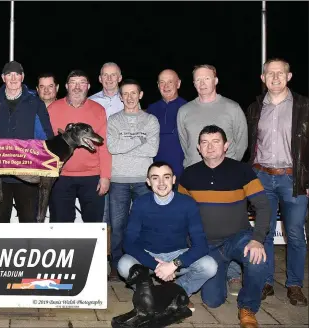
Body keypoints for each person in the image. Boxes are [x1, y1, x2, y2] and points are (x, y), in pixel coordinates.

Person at [178, 125, 270, 328]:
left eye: (216, 142)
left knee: (257, 259)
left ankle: (247, 307)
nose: (210, 147)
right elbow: (180, 213)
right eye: (204, 142)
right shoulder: (189, 175)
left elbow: (263, 206)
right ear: (198, 148)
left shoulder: (242, 171)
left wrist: (257, 239)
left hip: (237, 239)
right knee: (213, 301)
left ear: (226, 145)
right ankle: (224, 275)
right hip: (207, 246)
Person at [177, 64, 248, 292]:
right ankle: (202, 267)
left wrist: (226, 169)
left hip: (227, 178)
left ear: (215, 80)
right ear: (194, 83)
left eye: (207, 78)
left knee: (231, 225)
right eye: (198, 79)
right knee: (198, 226)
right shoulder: (185, 111)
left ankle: (234, 273)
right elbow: (186, 144)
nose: (202, 83)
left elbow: (241, 141)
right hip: (195, 181)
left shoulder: (232, 108)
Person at [246, 58, 309, 306]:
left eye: (280, 73)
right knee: (265, 233)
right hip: (262, 177)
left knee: (295, 233)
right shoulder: (254, 108)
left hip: (294, 179)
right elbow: (251, 146)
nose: (274, 77)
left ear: (289, 76)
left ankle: (294, 284)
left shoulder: (304, 106)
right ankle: (266, 281)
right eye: (269, 73)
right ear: (262, 78)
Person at [119, 162, 217, 311]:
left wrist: (173, 264)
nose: (162, 183)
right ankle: (147, 294)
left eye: (166, 177)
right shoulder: (140, 203)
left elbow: (201, 244)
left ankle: (178, 292)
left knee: (210, 266)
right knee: (124, 266)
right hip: (149, 255)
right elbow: (129, 242)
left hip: (177, 254)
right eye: (155, 178)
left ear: (173, 179)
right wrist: (157, 265)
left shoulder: (187, 203)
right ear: (148, 182)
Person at [106, 79, 159, 280]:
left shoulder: (151, 120)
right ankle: (117, 266)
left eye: (133, 93)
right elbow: (112, 147)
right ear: (120, 97)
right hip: (118, 179)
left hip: (143, 180)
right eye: (125, 94)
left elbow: (152, 149)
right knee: (118, 226)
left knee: (143, 224)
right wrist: (139, 139)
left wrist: (124, 141)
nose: (129, 97)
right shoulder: (113, 120)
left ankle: (144, 264)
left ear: (140, 95)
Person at [0, 61, 54, 223]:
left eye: (17, 74)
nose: (13, 78)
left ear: (22, 77)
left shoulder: (35, 102)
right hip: (0, 173)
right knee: (0, 220)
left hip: (27, 174)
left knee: (28, 220)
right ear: (3, 78)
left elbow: (46, 136)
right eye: (9, 74)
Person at [47, 70, 111, 224]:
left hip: (91, 177)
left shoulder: (98, 110)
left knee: (93, 225)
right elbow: (45, 144)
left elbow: (104, 146)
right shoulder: (51, 109)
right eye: (73, 83)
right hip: (60, 177)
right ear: (66, 86)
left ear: (88, 86)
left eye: (81, 82)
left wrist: (105, 177)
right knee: (61, 225)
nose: (77, 87)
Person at [89, 62, 125, 231]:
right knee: (101, 216)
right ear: (99, 78)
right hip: (98, 166)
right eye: (105, 75)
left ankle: (120, 255)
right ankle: (103, 254)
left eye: (113, 75)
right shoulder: (91, 102)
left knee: (120, 216)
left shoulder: (129, 99)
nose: (109, 79)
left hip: (122, 166)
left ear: (120, 78)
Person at [147, 69, 187, 179]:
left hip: (182, 171)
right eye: (162, 82)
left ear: (178, 84)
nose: (166, 86)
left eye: (170, 82)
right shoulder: (151, 109)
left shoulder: (188, 108)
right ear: (158, 85)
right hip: (157, 171)